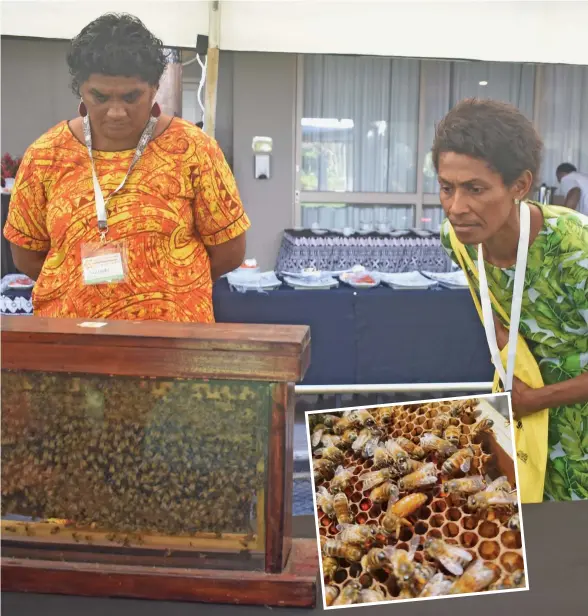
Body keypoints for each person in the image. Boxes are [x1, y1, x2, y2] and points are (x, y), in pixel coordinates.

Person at [4, 13, 249, 323]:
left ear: (154, 87)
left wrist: (172, 285)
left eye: (131, 96)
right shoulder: (45, 156)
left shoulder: (193, 150)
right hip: (73, 349)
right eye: (100, 96)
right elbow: (27, 254)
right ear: (80, 88)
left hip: (173, 351)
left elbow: (229, 251)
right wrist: (82, 286)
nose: (116, 112)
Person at [434, 98, 588, 502]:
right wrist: (511, 374)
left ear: (519, 185)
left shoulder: (577, 249)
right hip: (524, 417)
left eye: (475, 189)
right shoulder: (457, 239)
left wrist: (536, 398)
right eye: (446, 187)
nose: (456, 208)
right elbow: (494, 314)